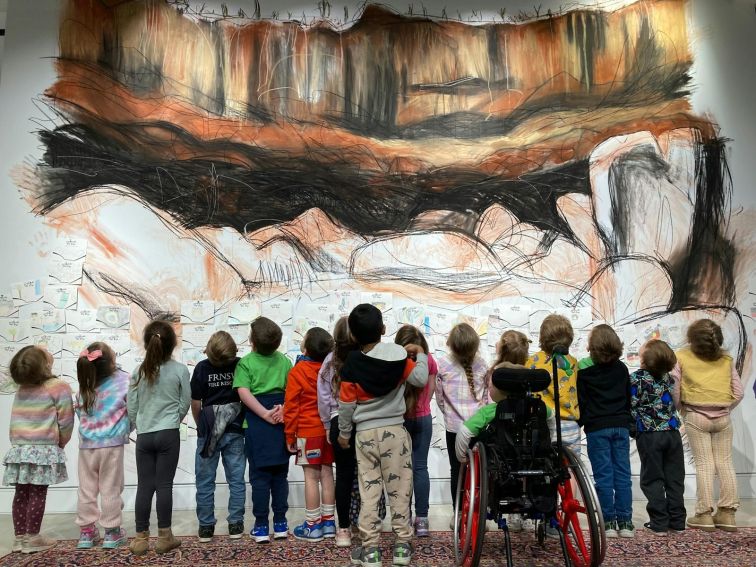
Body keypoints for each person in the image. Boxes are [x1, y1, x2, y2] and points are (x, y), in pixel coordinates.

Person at [338, 304, 428, 567]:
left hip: (364, 435)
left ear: (353, 336)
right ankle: (401, 546)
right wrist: (420, 354)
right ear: (384, 329)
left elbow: (346, 406)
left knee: (369, 491)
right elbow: (421, 379)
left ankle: (371, 550)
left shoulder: (351, 364)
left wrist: (344, 433)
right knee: (400, 490)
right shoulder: (399, 357)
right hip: (395, 433)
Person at [671, 319, 744, 531]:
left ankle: (703, 514)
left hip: (695, 415)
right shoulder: (727, 359)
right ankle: (727, 514)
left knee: (704, 464)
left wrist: (680, 408)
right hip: (723, 417)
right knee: (725, 462)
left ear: (692, 339)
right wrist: (725, 408)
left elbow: (675, 389)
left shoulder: (681, 356)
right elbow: (739, 392)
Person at [127, 320, 191, 556]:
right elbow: (185, 402)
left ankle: (141, 538)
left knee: (144, 485)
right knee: (164, 485)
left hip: (144, 435)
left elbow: (131, 406)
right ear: (172, 345)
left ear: (147, 343)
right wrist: (174, 420)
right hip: (168, 433)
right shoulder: (180, 370)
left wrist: (141, 424)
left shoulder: (138, 371)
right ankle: (165, 538)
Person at [3, 346, 73, 554]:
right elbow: (66, 420)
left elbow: (17, 420)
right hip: (43, 449)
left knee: (21, 493)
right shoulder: (58, 386)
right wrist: (61, 442)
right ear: (46, 364)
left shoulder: (22, 388)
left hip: (20, 449)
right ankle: (32, 537)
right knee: (37, 493)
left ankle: (19, 538)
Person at [233, 316, 292, 543]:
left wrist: (263, 413)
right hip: (280, 422)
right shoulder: (285, 362)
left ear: (252, 341)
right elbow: (293, 390)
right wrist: (283, 409)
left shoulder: (245, 363)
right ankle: (280, 523)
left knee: (259, 478)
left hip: (257, 425)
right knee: (280, 476)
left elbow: (243, 392)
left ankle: (260, 527)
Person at [576, 324, 634, 538]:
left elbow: (581, 403)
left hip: (596, 429)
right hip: (620, 426)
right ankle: (626, 522)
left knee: (603, 476)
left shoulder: (584, 373)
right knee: (623, 474)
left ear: (592, 347)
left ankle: (608, 522)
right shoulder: (622, 369)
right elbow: (628, 399)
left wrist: (580, 422)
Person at [74, 342, 130, 549]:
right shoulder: (124, 379)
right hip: (112, 445)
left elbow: (79, 412)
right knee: (111, 489)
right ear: (111, 362)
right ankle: (112, 533)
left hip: (87, 445)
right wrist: (126, 428)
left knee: (86, 489)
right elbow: (132, 407)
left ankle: (86, 533)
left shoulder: (85, 382)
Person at [190, 331, 245, 543]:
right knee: (236, 480)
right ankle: (236, 524)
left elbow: (196, 404)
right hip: (234, 430)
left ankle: (205, 527)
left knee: (204, 481)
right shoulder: (240, 365)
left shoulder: (202, 368)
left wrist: (202, 426)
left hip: (207, 429)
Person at [284, 327, 336, 541]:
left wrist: (289, 435)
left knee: (311, 477)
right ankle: (329, 523)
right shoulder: (331, 369)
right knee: (327, 475)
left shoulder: (297, 372)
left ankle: (313, 526)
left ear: (305, 348)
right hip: (329, 430)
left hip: (307, 432)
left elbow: (291, 406)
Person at [630, 339, 686, 536]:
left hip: (649, 434)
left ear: (646, 358)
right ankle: (678, 521)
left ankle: (659, 522)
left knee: (653, 478)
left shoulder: (636, 379)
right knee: (675, 478)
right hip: (672, 433)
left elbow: (631, 405)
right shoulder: (669, 379)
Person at [436, 322, 489, 508]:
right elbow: (488, 398)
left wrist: (450, 414)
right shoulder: (482, 364)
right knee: (480, 471)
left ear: (451, 344)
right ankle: (479, 512)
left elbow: (440, 399)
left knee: (457, 471)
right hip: (479, 427)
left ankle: (458, 515)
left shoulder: (442, 364)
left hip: (454, 428)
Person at [395, 324, 437, 537]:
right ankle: (422, 520)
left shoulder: (395, 361)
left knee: (403, 471)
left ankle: (403, 518)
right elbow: (430, 392)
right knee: (421, 468)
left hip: (400, 420)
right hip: (423, 418)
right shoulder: (428, 360)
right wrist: (423, 408)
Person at [527, 314, 581, 454]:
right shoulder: (573, 362)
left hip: (544, 424)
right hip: (571, 424)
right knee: (572, 468)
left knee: (546, 466)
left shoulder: (533, 361)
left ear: (542, 337)